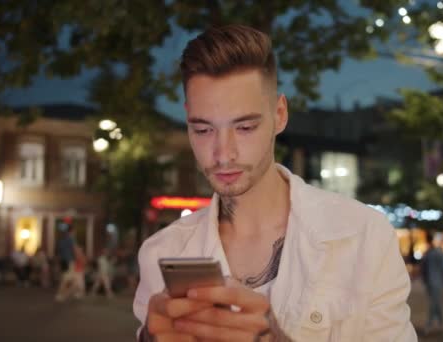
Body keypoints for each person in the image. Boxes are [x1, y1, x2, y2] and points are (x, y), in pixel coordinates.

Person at [133, 24, 416, 341]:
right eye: (203, 130)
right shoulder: (161, 253)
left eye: (245, 127)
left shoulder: (363, 236)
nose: (223, 153)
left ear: (279, 114)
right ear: (187, 120)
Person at [420, 231, 443, 334]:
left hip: (432, 282)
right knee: (436, 303)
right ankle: (442, 323)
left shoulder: (429, 253)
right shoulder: (437, 252)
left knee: (434, 303)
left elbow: (423, 269)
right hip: (436, 282)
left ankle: (429, 325)